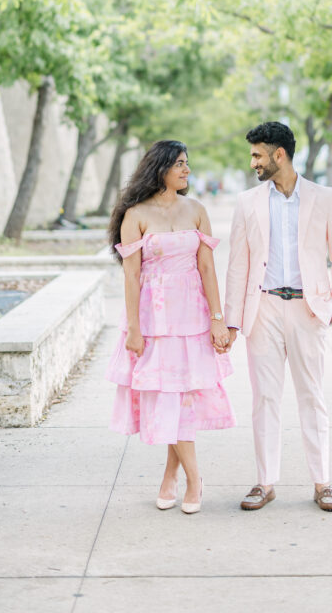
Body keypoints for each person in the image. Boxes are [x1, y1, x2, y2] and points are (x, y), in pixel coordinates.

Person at [224, 121, 332, 512]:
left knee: (311, 396)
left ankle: (322, 483)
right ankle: (265, 483)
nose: (253, 163)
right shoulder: (247, 202)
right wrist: (232, 320)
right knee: (264, 398)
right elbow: (237, 264)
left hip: (307, 309)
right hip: (262, 309)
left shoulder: (323, 198)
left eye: (257, 155)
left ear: (279, 154)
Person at [105, 139, 235, 514]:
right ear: (160, 167)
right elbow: (131, 276)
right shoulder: (136, 215)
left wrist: (218, 320)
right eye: (179, 163)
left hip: (193, 317)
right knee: (167, 396)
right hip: (154, 320)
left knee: (183, 397)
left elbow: (207, 267)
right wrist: (133, 328)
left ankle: (173, 476)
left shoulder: (197, 210)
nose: (187, 170)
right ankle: (194, 478)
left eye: (187, 163)